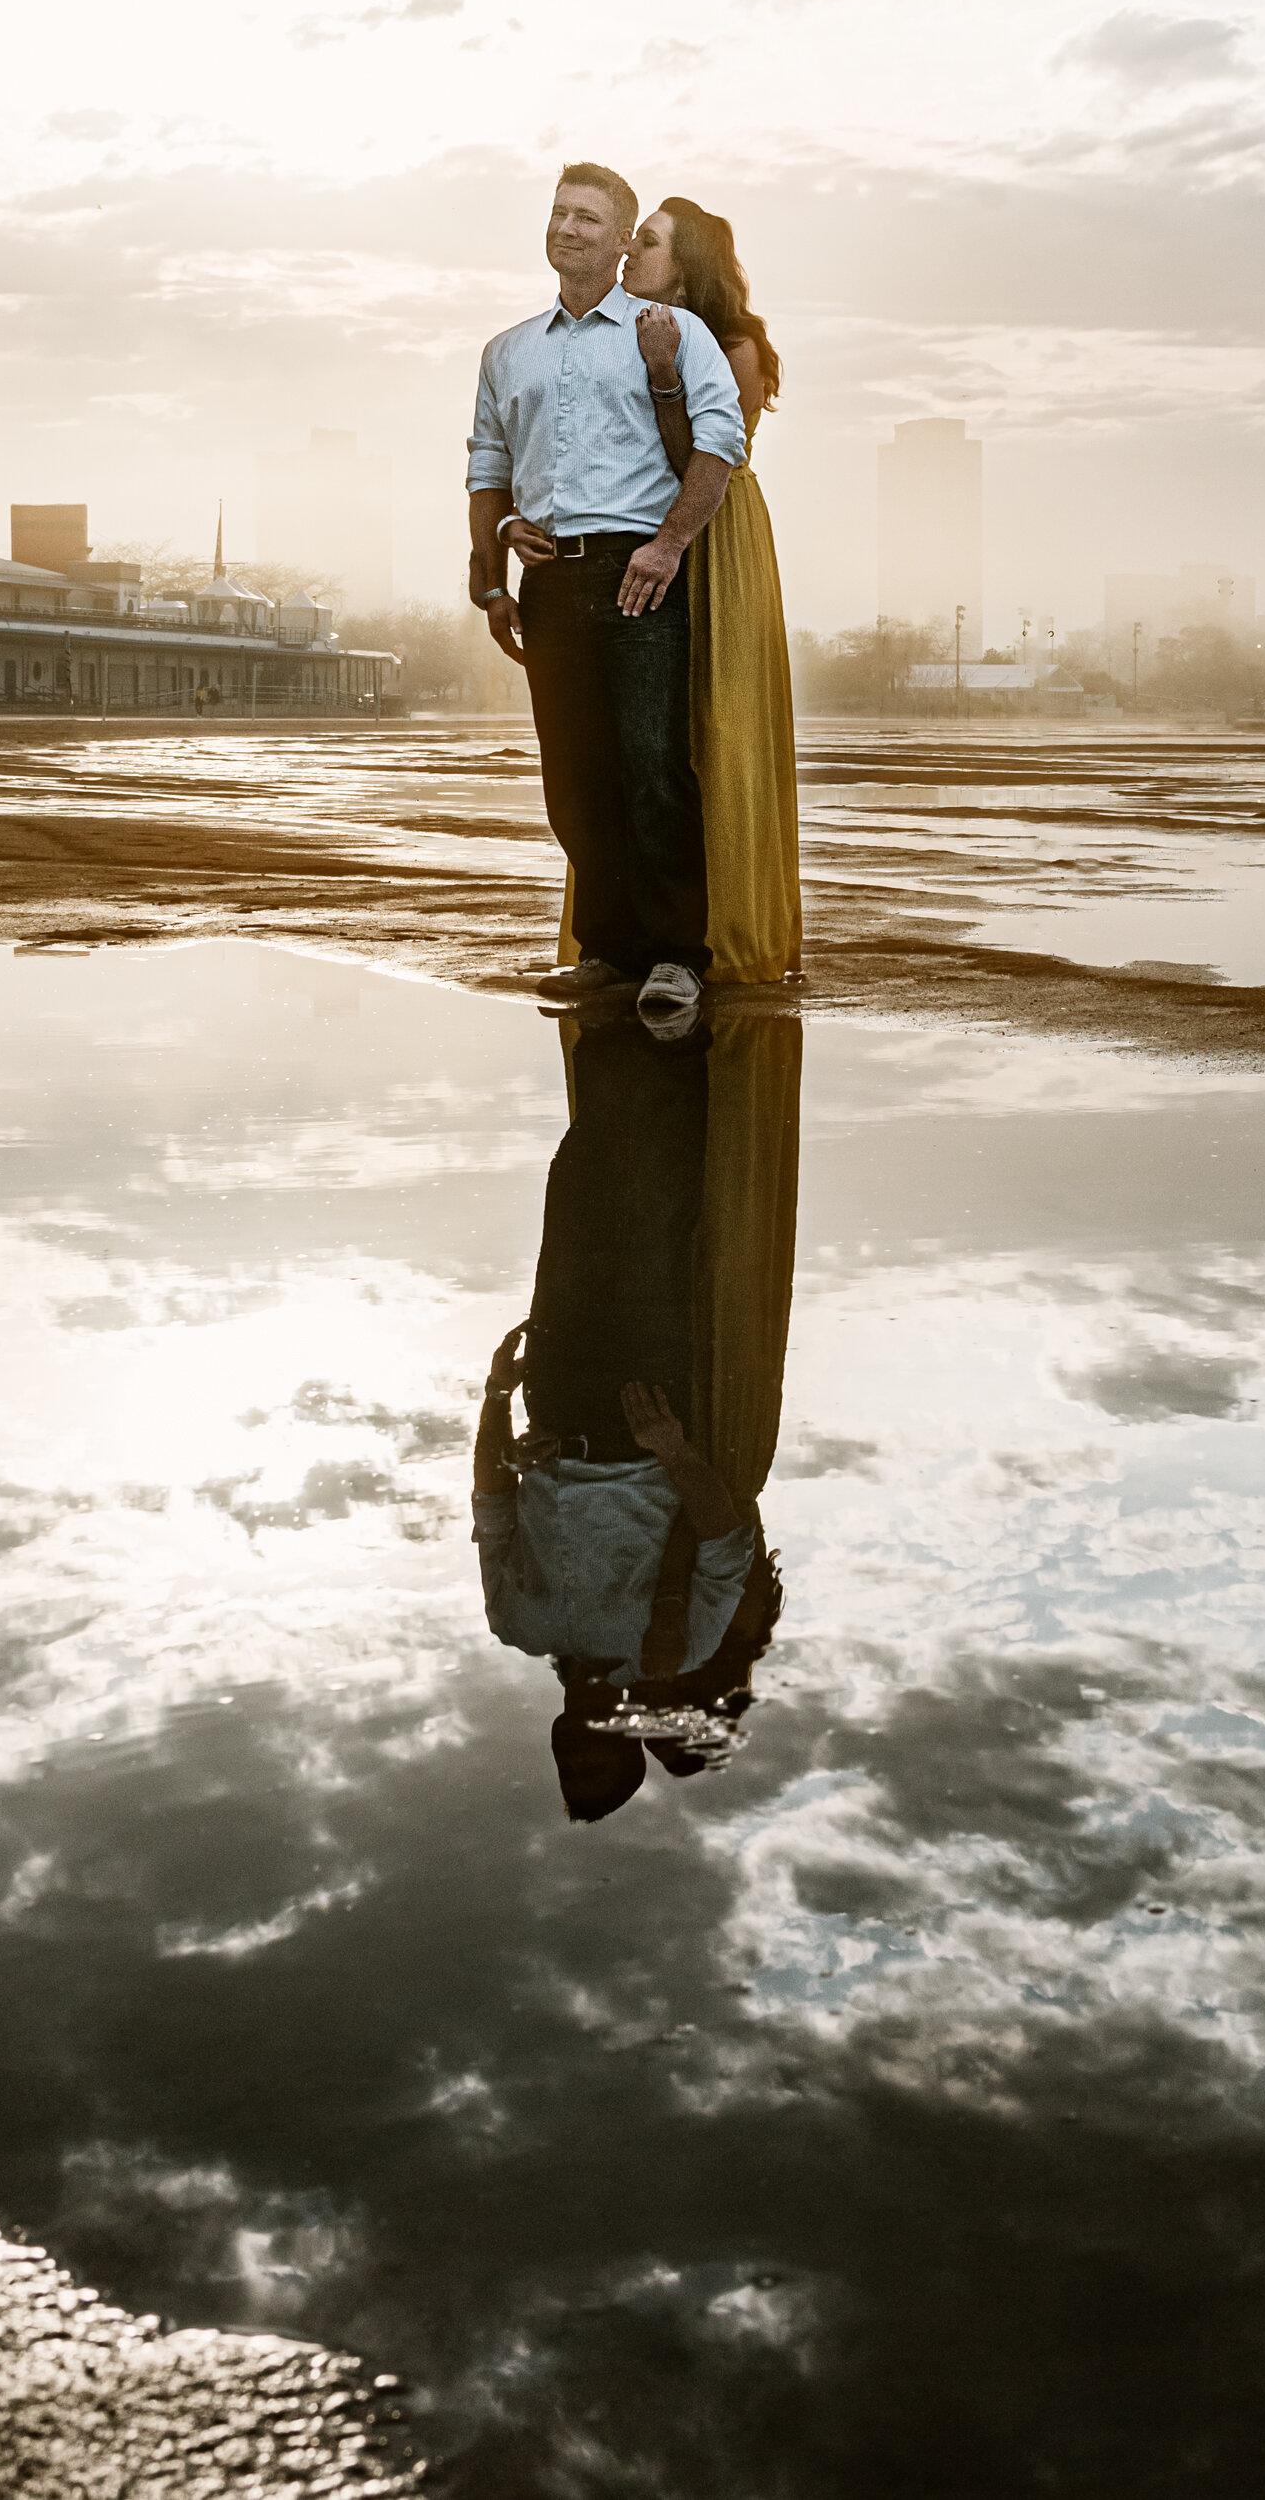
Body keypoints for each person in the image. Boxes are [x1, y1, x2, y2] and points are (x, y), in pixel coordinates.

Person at [472, 1010, 802, 1821]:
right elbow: (729, 1540)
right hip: (650, 1414)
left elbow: (491, 1507)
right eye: (594, 1763)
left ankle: (614, 1033)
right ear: (621, 1744)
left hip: (557, 1396)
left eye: (567, 1761)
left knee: (576, 1186)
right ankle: (678, 1039)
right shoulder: (675, 1649)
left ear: (554, 1739)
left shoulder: (516, 1624)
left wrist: (495, 1397)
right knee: (658, 1214)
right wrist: (673, 1449)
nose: (576, 1747)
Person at [467, 164, 748, 1026]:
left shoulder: (672, 331)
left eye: (590, 218)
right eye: (559, 213)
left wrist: (669, 546)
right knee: (575, 779)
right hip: (547, 578)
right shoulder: (507, 351)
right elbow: (488, 468)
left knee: (652, 767)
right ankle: (606, 950)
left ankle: (674, 958)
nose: (569, 229)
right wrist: (490, 575)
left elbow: (721, 442)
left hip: (639, 572)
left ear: (622, 241)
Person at [556, 195, 802, 988]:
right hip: (634, 538)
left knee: (707, 737)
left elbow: (696, 458)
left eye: (649, 243)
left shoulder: (734, 347)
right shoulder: (613, 330)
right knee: (626, 747)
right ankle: (617, 943)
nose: (631, 254)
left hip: (712, 534)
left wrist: (663, 370)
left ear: (687, 263)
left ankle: (717, 941)